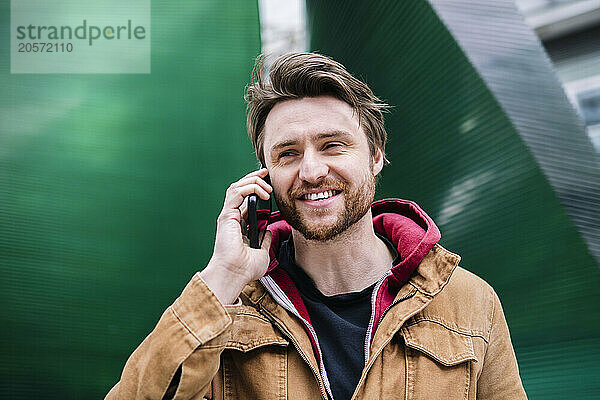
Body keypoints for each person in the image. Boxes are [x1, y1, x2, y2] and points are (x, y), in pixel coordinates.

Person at [106, 52, 527, 400]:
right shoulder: (226, 307)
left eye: (333, 145)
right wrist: (224, 276)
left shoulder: (470, 302)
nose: (310, 170)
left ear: (375, 155)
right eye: (287, 153)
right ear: (264, 175)